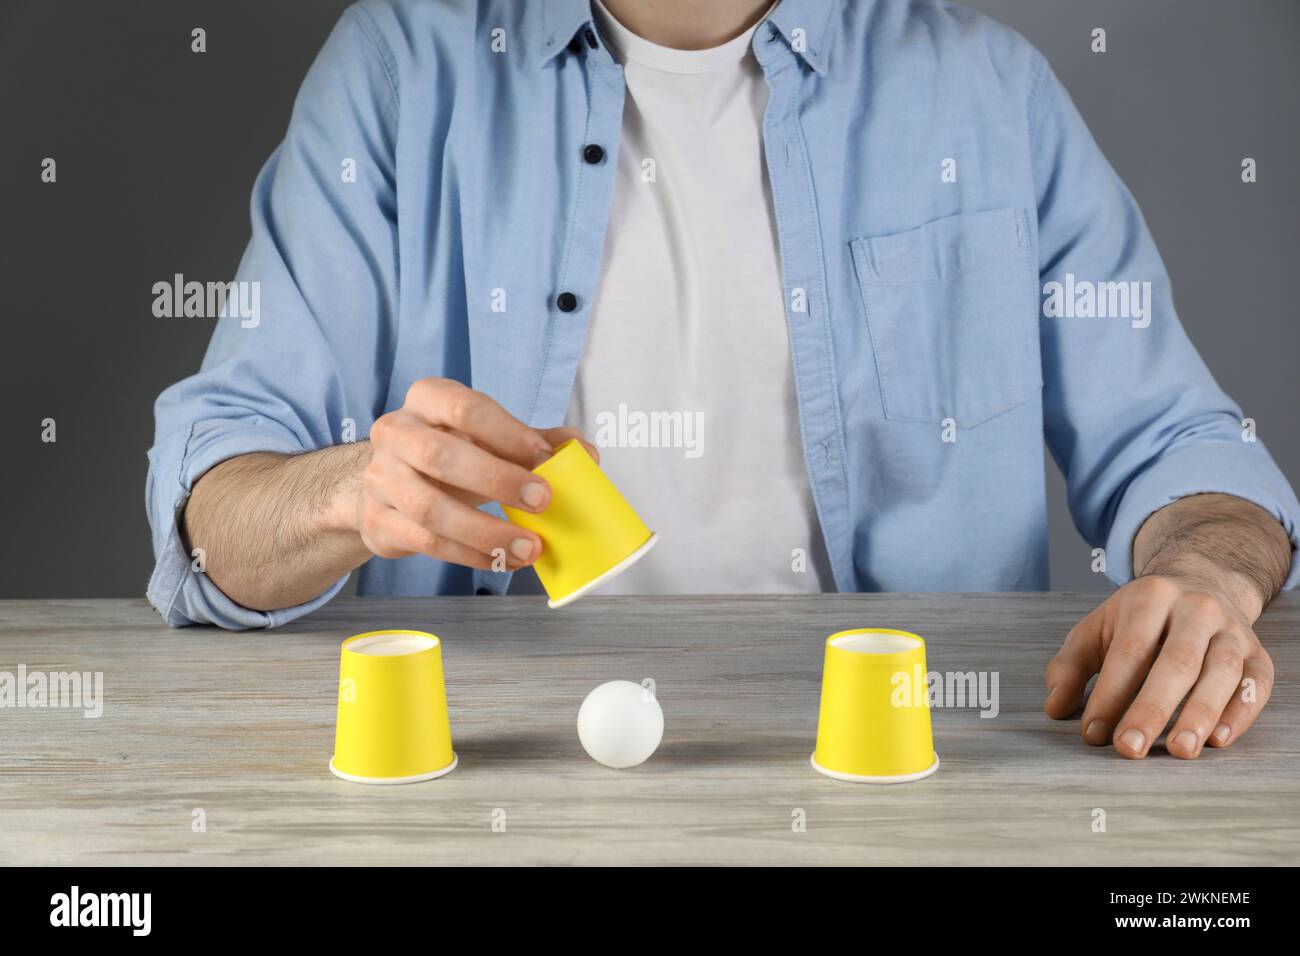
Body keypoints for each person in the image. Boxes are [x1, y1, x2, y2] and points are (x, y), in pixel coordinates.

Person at [147, 0, 1298, 762]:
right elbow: (215, 513)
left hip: (913, 773)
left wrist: (1205, 579)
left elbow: (1183, 444)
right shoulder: (404, 66)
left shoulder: (985, 91)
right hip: (496, 778)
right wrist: (353, 491)